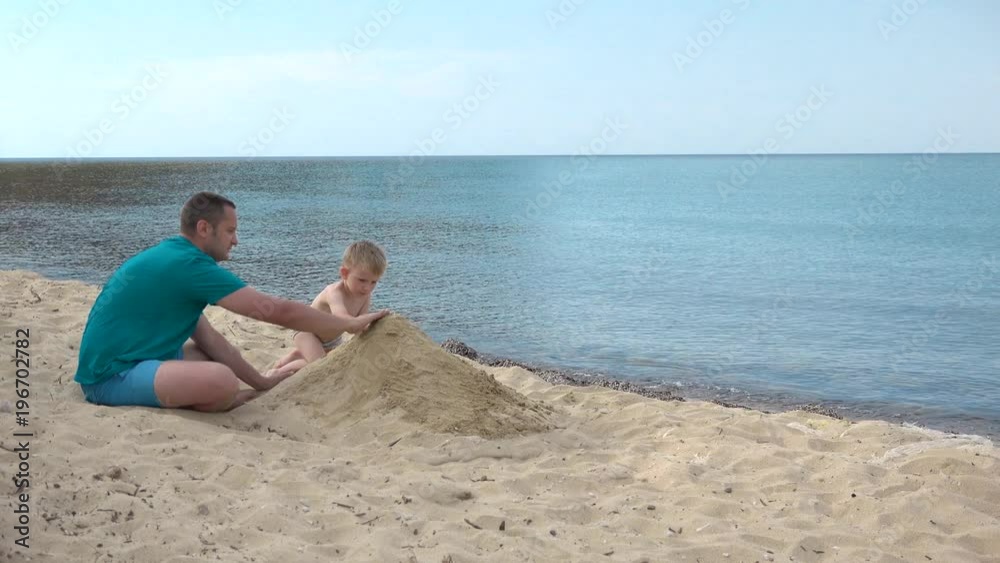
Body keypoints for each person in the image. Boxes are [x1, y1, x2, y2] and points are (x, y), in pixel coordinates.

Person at [73, 192, 389, 412]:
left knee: (215, 357)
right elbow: (276, 311)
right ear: (204, 228)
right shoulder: (190, 266)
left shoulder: (174, 255)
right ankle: (220, 401)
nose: (235, 240)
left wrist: (262, 381)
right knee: (223, 382)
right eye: (230, 231)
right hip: (110, 375)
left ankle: (220, 393)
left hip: (134, 355)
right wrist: (348, 323)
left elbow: (211, 340)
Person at [270, 240, 387, 377]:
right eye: (362, 280)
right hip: (307, 332)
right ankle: (280, 371)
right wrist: (375, 315)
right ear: (344, 273)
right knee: (321, 365)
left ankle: (297, 354)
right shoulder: (334, 293)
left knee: (336, 363)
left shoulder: (365, 296)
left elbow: (358, 326)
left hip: (332, 339)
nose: (367, 287)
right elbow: (344, 320)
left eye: (374, 282)